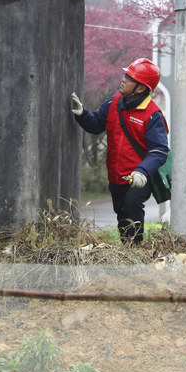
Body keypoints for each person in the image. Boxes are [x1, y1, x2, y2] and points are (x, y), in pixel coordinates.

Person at [70, 58, 169, 244]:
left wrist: (142, 171)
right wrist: (82, 113)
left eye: (129, 77)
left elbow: (159, 151)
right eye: (125, 75)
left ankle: (135, 251)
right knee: (122, 213)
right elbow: (95, 125)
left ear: (140, 88)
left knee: (132, 206)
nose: (123, 79)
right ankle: (127, 249)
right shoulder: (113, 103)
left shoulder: (152, 114)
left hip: (139, 178)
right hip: (116, 176)